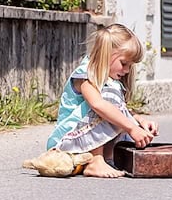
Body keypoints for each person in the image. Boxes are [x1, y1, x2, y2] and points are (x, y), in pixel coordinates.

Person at [47, 23, 159, 178]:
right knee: (107, 101)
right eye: (124, 63)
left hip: (81, 140)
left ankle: (106, 157)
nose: (126, 71)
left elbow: (117, 109)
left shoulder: (108, 79)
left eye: (130, 66)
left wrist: (138, 121)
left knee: (113, 104)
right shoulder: (85, 74)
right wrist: (132, 129)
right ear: (107, 54)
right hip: (66, 139)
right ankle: (95, 161)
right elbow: (98, 104)